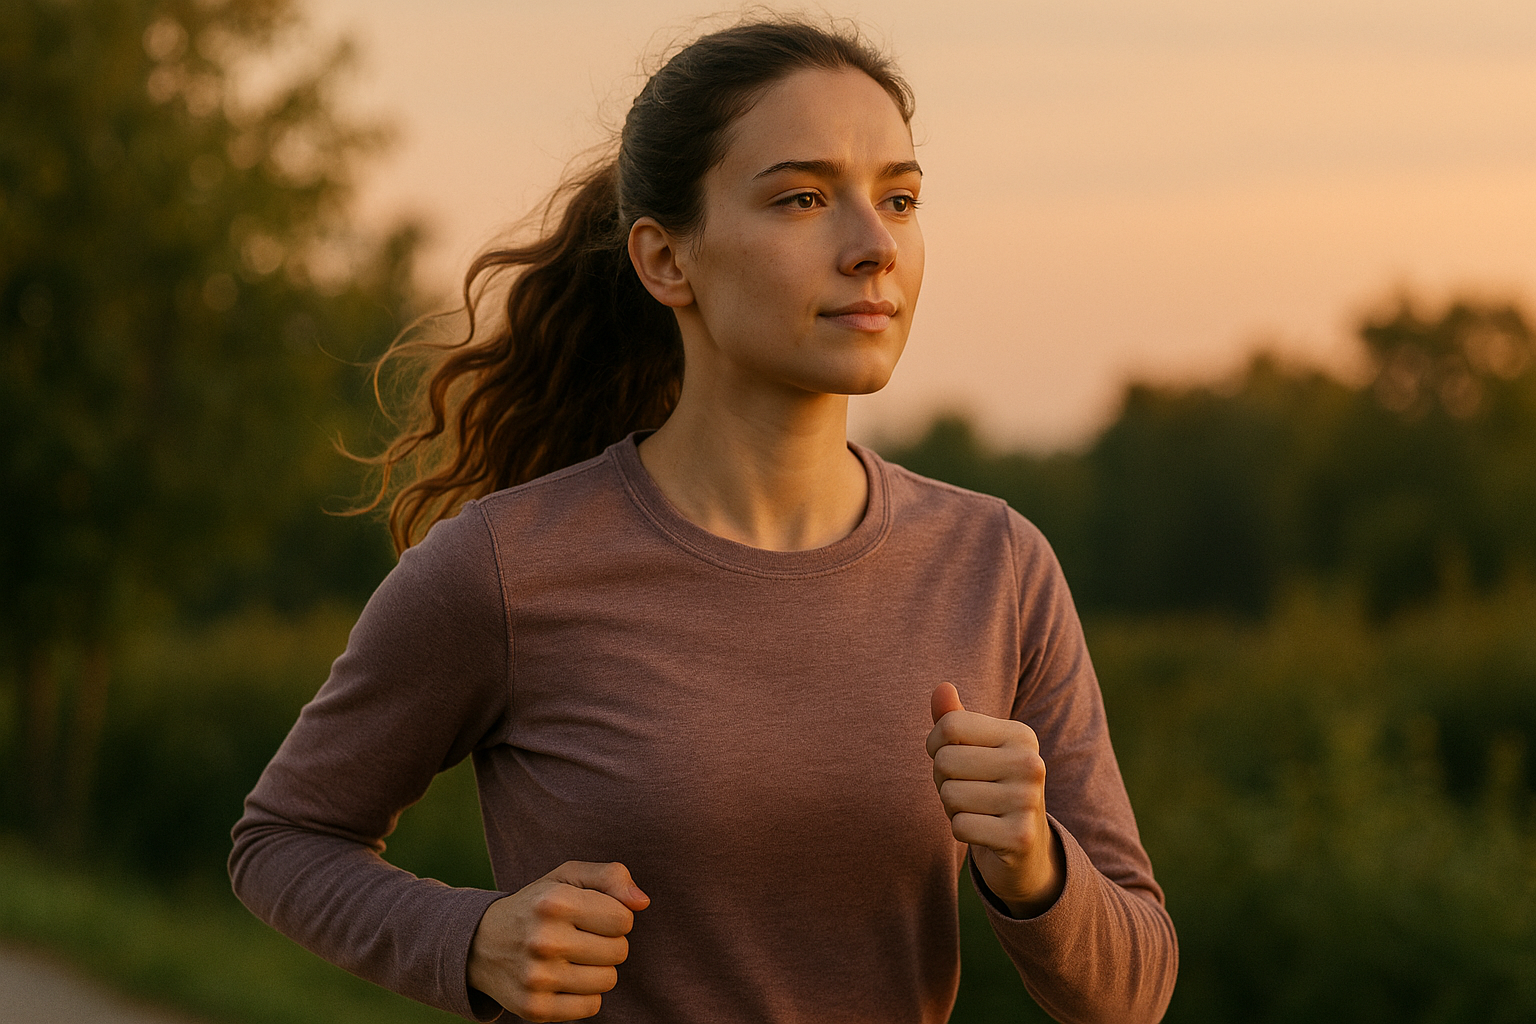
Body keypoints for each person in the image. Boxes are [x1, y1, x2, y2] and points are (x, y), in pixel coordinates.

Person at [229, 18, 1177, 1024]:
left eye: (898, 198)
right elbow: (283, 839)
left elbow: (1135, 992)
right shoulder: (506, 567)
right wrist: (470, 940)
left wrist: (1036, 863)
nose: (873, 246)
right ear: (665, 260)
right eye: (804, 199)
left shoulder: (996, 565)